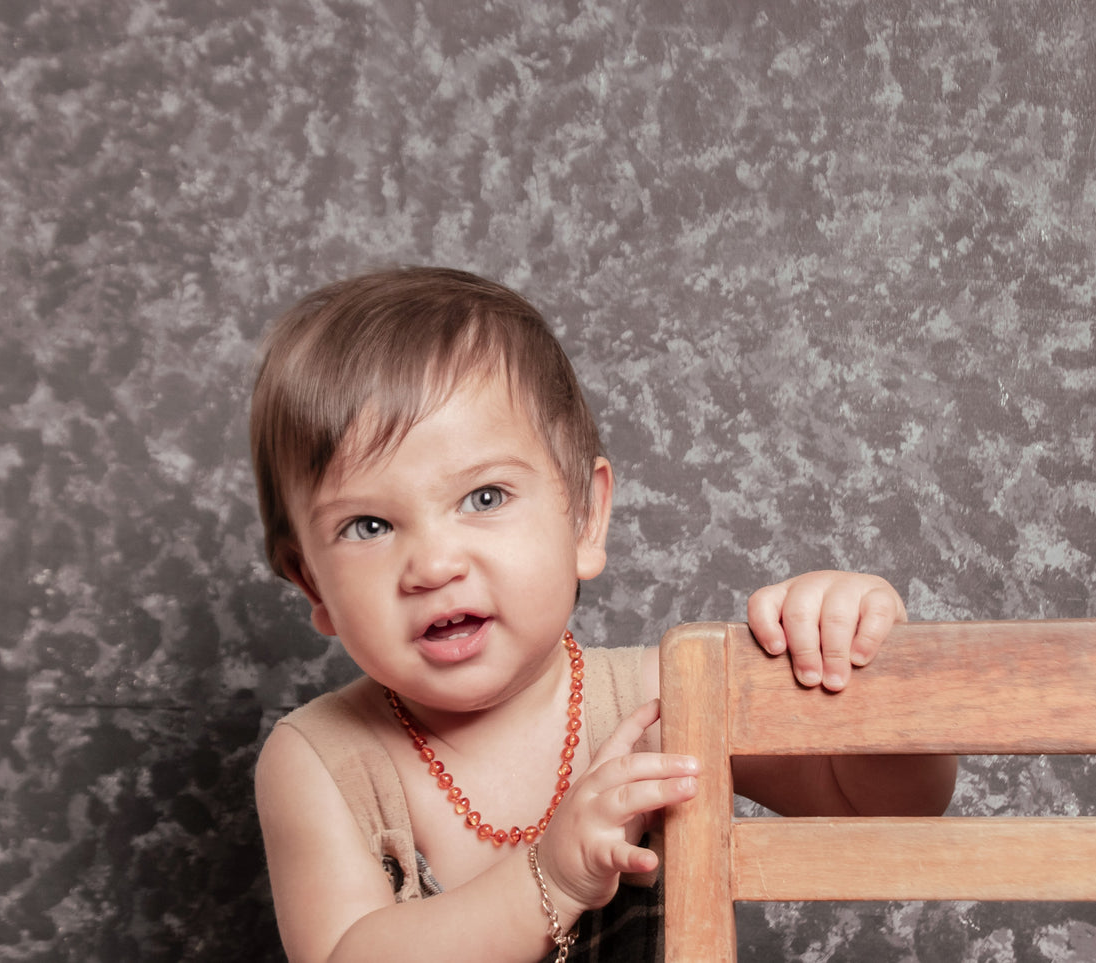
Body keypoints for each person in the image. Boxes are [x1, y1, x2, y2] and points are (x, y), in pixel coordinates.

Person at [251, 266, 958, 962]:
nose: (434, 565)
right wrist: (551, 877)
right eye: (369, 525)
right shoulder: (318, 759)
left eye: (484, 497)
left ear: (585, 517)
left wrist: (872, 667)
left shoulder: (667, 698)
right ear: (311, 583)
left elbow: (876, 809)